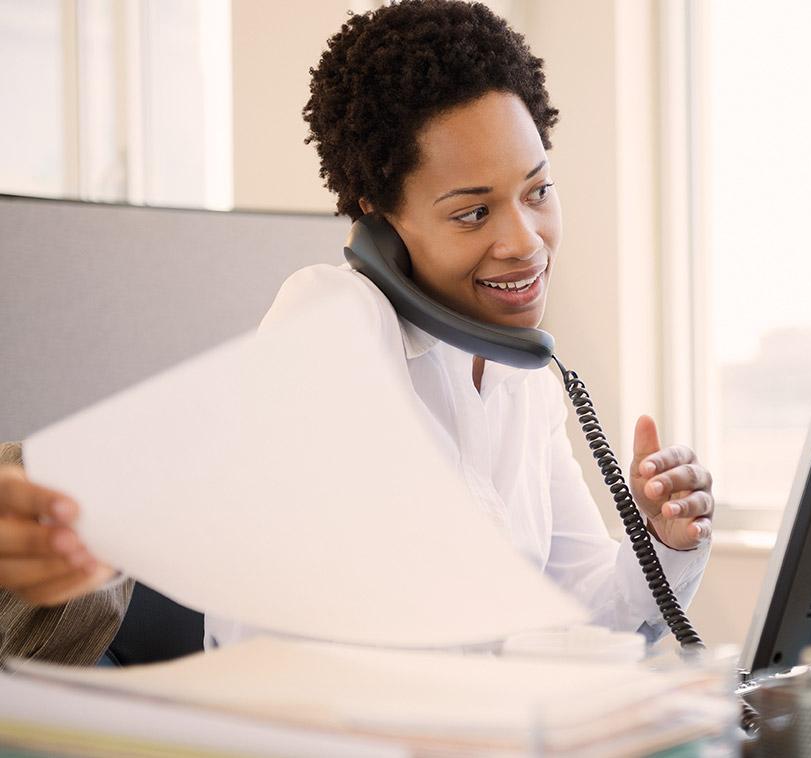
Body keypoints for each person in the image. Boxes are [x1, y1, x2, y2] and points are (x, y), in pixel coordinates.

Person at [0, 0, 714, 662]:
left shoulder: (518, 373)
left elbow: (586, 612)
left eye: (538, 191)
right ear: (380, 214)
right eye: (473, 212)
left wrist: (663, 543)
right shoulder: (333, 320)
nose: (525, 241)